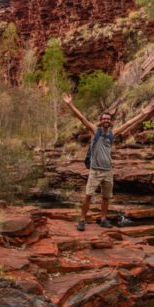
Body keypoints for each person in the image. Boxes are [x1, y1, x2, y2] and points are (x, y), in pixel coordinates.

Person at [62, 93, 123, 230]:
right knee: (88, 196)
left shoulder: (112, 133)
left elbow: (129, 123)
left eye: (108, 118)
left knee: (106, 197)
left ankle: (102, 219)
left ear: (111, 121)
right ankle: (82, 220)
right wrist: (70, 104)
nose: (106, 120)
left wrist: (143, 114)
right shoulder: (95, 130)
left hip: (108, 171)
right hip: (95, 171)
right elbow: (82, 118)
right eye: (104, 118)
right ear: (101, 120)